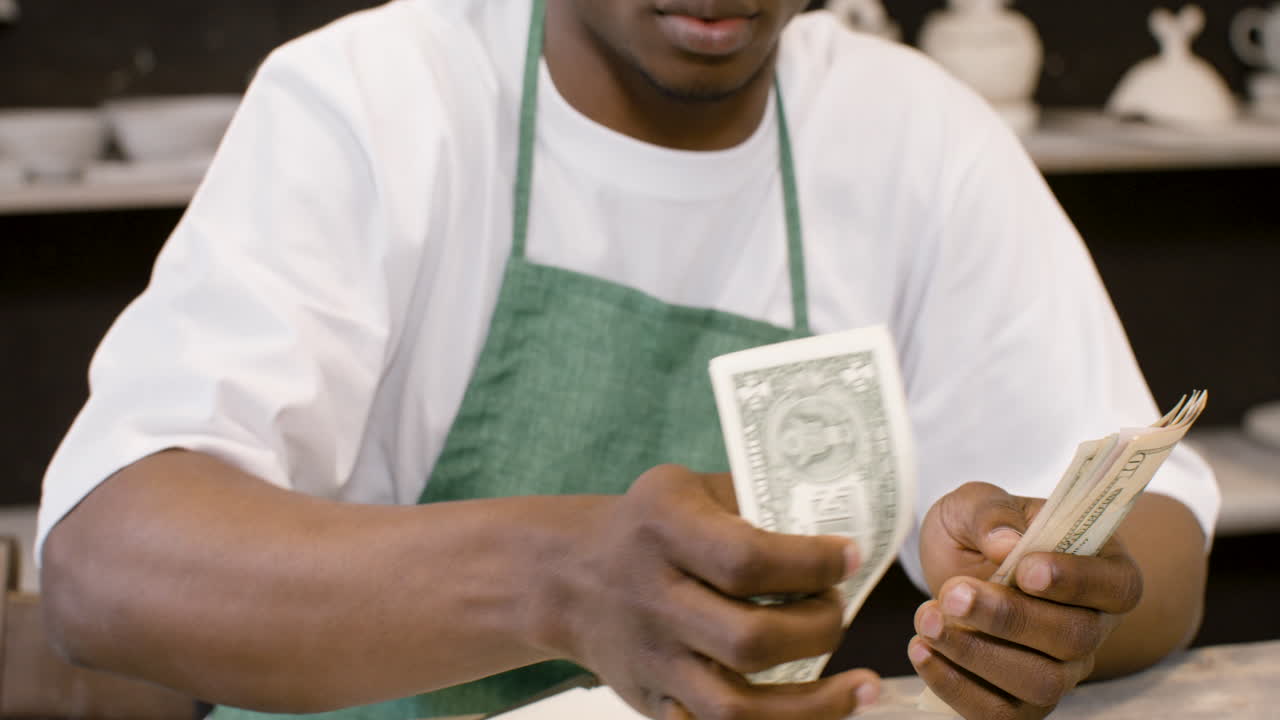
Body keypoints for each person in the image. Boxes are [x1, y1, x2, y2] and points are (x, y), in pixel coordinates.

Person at [36, 1, 1219, 719]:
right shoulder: (375, 100)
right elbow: (108, 567)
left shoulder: (911, 134)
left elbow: (1152, 536)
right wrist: (559, 582)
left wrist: (1053, 599)